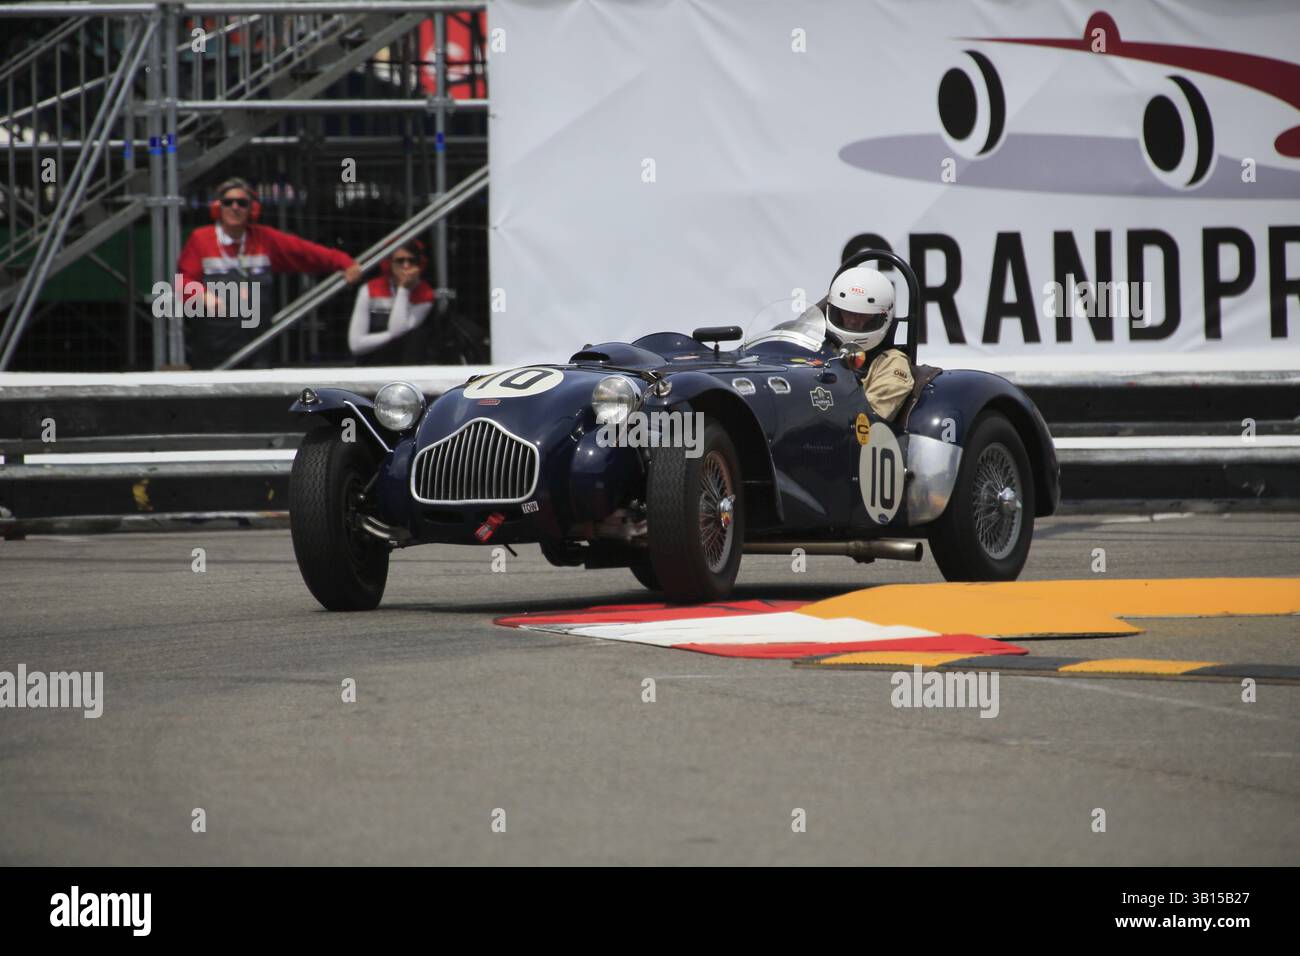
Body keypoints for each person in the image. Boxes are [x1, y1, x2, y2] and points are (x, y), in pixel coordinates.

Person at [176, 177, 363, 368]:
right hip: (212, 345)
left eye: (242, 203)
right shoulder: (200, 239)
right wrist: (203, 296)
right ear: (217, 207)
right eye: (227, 202)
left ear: (252, 209)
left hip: (258, 344)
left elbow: (304, 252)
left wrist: (344, 262)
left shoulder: (264, 238)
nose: (234, 207)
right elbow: (182, 281)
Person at [823, 265, 914, 421]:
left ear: (882, 317)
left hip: (855, 437)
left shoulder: (892, 362)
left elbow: (870, 418)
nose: (853, 321)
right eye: (848, 312)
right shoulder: (820, 349)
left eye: (862, 315)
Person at [347, 241, 436, 365]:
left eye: (412, 261)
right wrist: (390, 335)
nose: (406, 266)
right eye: (400, 261)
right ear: (389, 263)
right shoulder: (369, 289)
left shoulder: (425, 292)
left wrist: (403, 289)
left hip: (407, 365)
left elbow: (397, 330)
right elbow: (356, 345)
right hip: (371, 363)